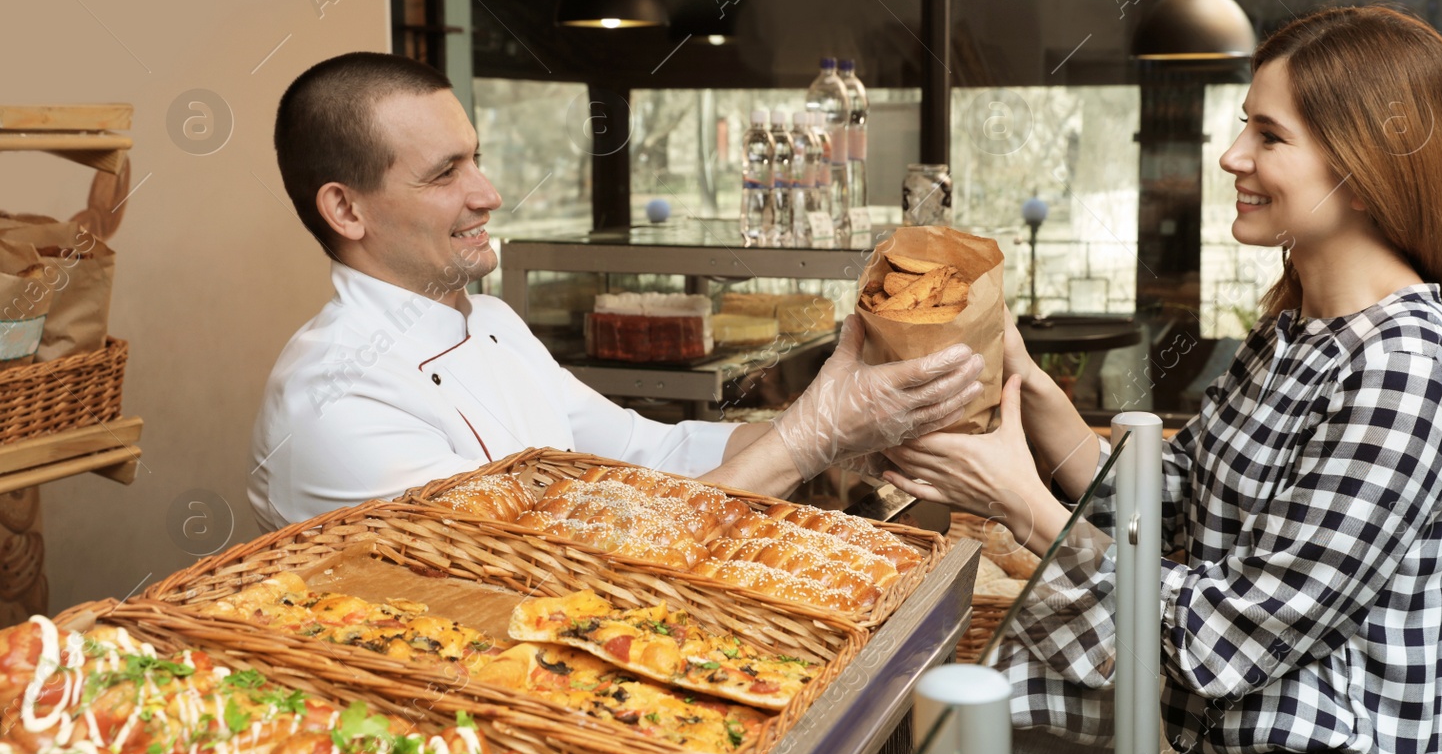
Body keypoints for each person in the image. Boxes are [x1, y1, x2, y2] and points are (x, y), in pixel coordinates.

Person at [885, 6, 1442, 754]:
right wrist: (1017, 372)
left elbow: (1229, 633)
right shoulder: (1292, 333)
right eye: (1246, 125)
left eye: (1269, 136)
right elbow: (1172, 501)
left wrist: (1021, 502)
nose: (1233, 154)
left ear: (1361, 167)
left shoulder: (1404, 362)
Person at [248, 53, 984, 530]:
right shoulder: (336, 398)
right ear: (346, 209)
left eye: (476, 159)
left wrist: (850, 438)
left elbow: (649, 449)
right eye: (445, 174)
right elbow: (554, 574)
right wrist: (807, 436)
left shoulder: (494, 322)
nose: (488, 193)